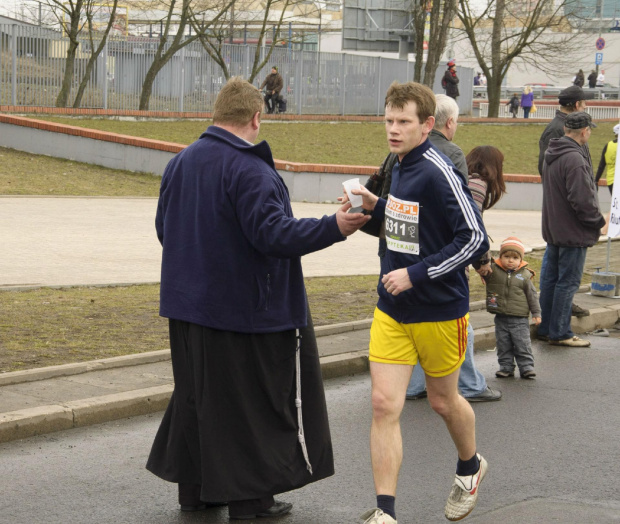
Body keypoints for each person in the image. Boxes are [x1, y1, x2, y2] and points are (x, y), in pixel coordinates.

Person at [146, 77, 370, 520]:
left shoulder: (181, 162)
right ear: (255, 117)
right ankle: (251, 502)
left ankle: (197, 492)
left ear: (217, 115)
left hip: (186, 307)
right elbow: (273, 235)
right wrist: (335, 226)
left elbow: (164, 231)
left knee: (198, 398)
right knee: (251, 406)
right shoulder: (251, 169)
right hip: (244, 312)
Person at [350, 81, 490, 524]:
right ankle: (385, 512)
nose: (393, 130)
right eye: (389, 120)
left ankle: (470, 466)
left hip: (439, 309)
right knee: (383, 404)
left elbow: (475, 239)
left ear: (427, 125)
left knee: (443, 402)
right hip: (392, 309)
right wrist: (375, 208)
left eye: (403, 122)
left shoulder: (437, 169)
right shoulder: (397, 162)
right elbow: (407, 227)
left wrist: (414, 275)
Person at [406, 98, 501, 403]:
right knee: (460, 324)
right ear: (448, 123)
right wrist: (481, 260)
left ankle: (414, 386)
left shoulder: (401, 153)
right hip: (443, 257)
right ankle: (471, 385)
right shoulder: (451, 154)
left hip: (407, 257)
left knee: (418, 321)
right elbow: (469, 223)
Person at [538, 112, 606, 347]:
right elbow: (582, 199)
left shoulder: (552, 153)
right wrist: (598, 221)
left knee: (550, 280)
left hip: (555, 228)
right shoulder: (575, 158)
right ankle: (561, 333)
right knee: (567, 283)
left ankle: (546, 328)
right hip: (573, 231)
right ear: (585, 131)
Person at [538, 85, 592, 320]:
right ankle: (557, 316)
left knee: (560, 270)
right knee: (559, 272)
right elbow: (548, 171)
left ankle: (561, 309)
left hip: (565, 210)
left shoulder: (569, 125)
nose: (587, 104)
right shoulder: (557, 130)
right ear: (577, 104)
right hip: (565, 211)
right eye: (584, 102)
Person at [483, 237, 541, 379]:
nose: (510, 260)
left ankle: (526, 367)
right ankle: (506, 367)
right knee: (503, 344)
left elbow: (532, 295)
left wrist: (536, 312)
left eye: (515, 258)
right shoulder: (493, 271)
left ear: (520, 260)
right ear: (500, 256)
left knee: (522, 344)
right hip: (501, 317)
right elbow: (481, 264)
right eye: (507, 256)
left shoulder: (525, 275)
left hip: (519, 318)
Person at [595, 123, 619, 195]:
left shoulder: (608, 145)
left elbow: (601, 165)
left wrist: (596, 180)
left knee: (615, 204)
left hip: (611, 180)